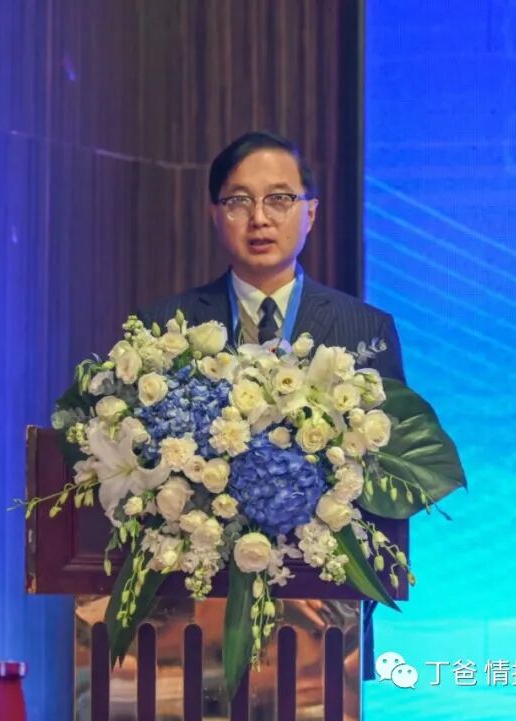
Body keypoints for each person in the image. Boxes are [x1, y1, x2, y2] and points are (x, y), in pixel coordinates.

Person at [136, 129, 407, 681]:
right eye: (239, 201)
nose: (259, 218)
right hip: (191, 621)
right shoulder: (167, 327)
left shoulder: (365, 329)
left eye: (279, 199)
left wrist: (348, 584)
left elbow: (392, 472)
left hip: (324, 618)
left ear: (311, 212)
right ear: (215, 214)